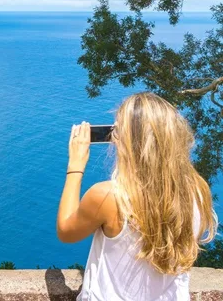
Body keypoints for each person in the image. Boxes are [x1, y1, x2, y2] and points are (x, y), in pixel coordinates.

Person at [56, 92, 217, 300]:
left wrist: (75, 167)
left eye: (116, 131)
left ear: (128, 142)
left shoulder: (109, 196)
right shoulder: (197, 190)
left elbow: (66, 232)